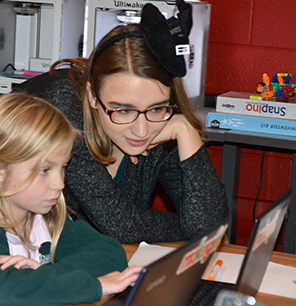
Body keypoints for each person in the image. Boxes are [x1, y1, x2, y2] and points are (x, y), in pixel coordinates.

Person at [15, 0, 229, 243]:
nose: (141, 131)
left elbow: (210, 224)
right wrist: (188, 229)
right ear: (92, 96)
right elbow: (120, 226)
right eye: (124, 111)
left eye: (156, 107)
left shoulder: (163, 122)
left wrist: (186, 130)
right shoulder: (63, 111)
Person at [0, 92, 142, 306]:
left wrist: (45, 275)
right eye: (44, 170)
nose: (59, 183)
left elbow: (110, 254)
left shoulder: (48, 219)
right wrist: (91, 286)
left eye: (63, 168)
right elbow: (0, 291)